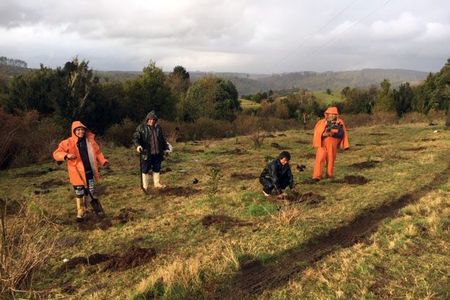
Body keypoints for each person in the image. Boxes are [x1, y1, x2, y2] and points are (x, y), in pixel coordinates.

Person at [53, 121, 108, 222]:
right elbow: (57, 153)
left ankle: (94, 209)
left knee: (91, 191)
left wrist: (103, 161)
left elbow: (98, 152)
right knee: (79, 193)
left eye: (82, 130)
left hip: (89, 172)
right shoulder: (67, 142)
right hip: (77, 174)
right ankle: (80, 211)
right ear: (74, 131)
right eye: (78, 130)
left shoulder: (90, 141)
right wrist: (66, 155)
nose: (81, 132)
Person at [132, 110, 171, 193]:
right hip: (146, 153)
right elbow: (136, 138)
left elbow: (162, 139)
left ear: (155, 120)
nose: (152, 121)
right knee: (145, 169)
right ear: (147, 119)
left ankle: (157, 184)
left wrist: (166, 148)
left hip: (157, 152)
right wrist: (138, 146)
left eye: (153, 119)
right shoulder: (141, 127)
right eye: (150, 119)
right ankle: (145, 186)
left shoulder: (158, 128)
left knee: (157, 168)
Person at [312, 106, 349, 181]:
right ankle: (317, 176)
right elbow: (317, 133)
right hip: (322, 143)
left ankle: (329, 174)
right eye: (330, 114)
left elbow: (342, 134)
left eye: (334, 114)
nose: (332, 116)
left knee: (331, 159)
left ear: (336, 115)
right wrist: (323, 134)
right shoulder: (321, 122)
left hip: (333, 144)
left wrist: (333, 133)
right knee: (320, 158)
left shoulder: (340, 122)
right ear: (327, 114)